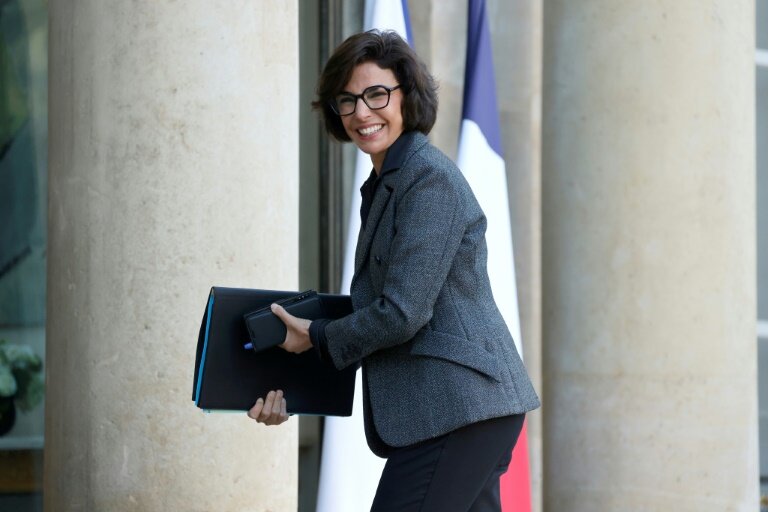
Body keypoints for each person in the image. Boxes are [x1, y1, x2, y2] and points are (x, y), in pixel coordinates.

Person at [247, 29, 540, 512]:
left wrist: (315, 336)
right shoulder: (388, 182)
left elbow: (402, 313)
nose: (362, 112)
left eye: (376, 94)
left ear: (407, 96)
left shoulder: (429, 181)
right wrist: (283, 377)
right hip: (462, 408)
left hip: (459, 406)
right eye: (347, 100)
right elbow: (376, 312)